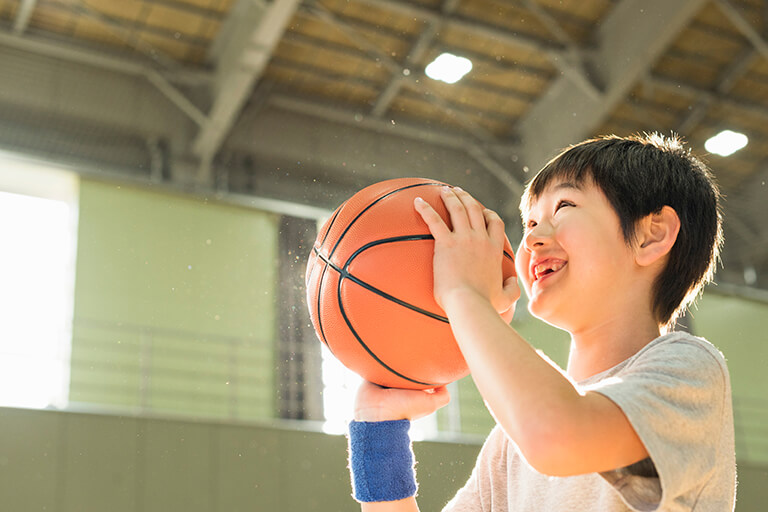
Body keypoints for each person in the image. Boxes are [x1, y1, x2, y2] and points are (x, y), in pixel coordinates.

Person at [345, 133, 736, 511]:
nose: (531, 240)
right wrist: (379, 435)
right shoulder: (510, 443)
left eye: (564, 207)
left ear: (653, 235)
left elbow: (559, 436)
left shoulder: (688, 370)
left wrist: (464, 293)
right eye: (529, 224)